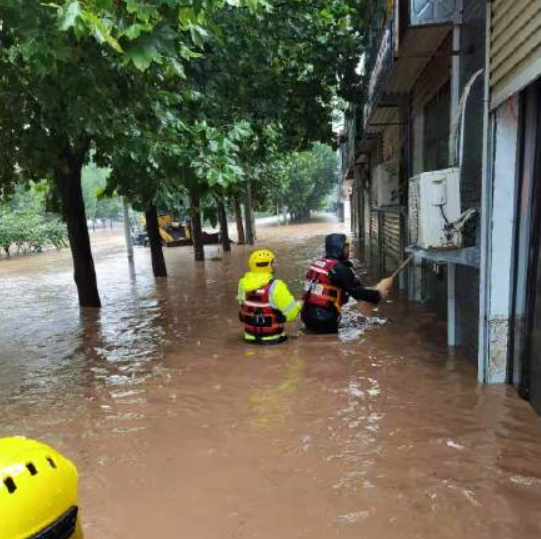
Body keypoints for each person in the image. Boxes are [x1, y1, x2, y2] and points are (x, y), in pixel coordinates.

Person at [301, 233, 392, 334]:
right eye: (346, 247)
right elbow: (358, 293)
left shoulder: (318, 263)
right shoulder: (340, 269)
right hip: (324, 320)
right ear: (339, 248)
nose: (349, 251)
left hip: (306, 316)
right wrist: (379, 294)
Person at [238, 249, 301, 344]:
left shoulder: (242, 283)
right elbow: (291, 313)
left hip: (249, 337)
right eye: (273, 262)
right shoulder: (277, 285)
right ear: (267, 265)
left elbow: (242, 303)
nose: (275, 265)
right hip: (274, 338)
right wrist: (300, 305)